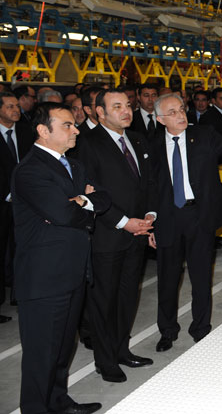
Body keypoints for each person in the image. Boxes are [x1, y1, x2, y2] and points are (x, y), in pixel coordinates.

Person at [13, 102, 110, 414]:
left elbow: (103, 198)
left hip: (72, 272)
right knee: (42, 353)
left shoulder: (74, 165)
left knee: (63, 348)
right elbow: (62, 214)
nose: (76, 130)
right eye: (67, 125)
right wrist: (84, 203)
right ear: (43, 132)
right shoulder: (31, 171)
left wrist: (81, 200)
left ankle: (58, 402)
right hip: (44, 279)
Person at [149, 94, 222, 352]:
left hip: (199, 216)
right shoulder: (150, 145)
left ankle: (201, 328)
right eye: (172, 112)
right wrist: (149, 220)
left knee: (200, 276)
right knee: (167, 279)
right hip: (167, 219)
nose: (181, 115)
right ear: (161, 119)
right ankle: (167, 330)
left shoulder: (204, 135)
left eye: (181, 109)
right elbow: (148, 188)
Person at [76, 90, 156, 383]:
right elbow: (91, 192)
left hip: (136, 235)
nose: (126, 111)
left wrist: (150, 217)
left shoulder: (136, 140)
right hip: (108, 237)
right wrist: (124, 223)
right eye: (117, 106)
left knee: (127, 298)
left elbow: (147, 183)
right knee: (104, 302)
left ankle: (122, 350)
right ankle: (105, 360)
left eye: (128, 106)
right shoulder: (87, 144)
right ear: (99, 112)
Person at [0, 91, 33, 321]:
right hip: (2, 202)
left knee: (22, 248)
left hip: (25, 201)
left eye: (16, 106)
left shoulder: (25, 131)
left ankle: (18, 293)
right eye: (10, 106)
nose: (16, 110)